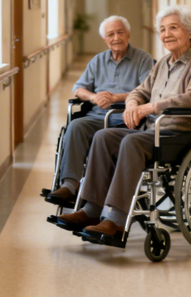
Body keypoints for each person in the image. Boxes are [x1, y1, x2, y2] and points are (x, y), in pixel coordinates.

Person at [56, 6, 191, 239]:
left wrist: (152, 107)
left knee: (132, 143)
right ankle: (91, 210)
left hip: (179, 133)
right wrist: (132, 104)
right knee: (103, 136)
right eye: (162, 29)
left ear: (190, 32)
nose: (166, 34)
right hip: (153, 130)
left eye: (173, 28)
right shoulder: (163, 63)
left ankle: (117, 221)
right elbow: (140, 91)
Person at [45, 15, 153, 206]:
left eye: (120, 32)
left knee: (103, 136)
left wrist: (115, 98)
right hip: (97, 116)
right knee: (76, 125)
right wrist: (94, 97)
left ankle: (98, 199)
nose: (116, 37)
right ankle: (69, 185)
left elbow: (148, 91)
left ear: (128, 33)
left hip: (126, 118)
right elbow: (78, 88)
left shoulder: (143, 59)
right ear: (105, 39)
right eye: (110, 34)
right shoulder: (98, 61)